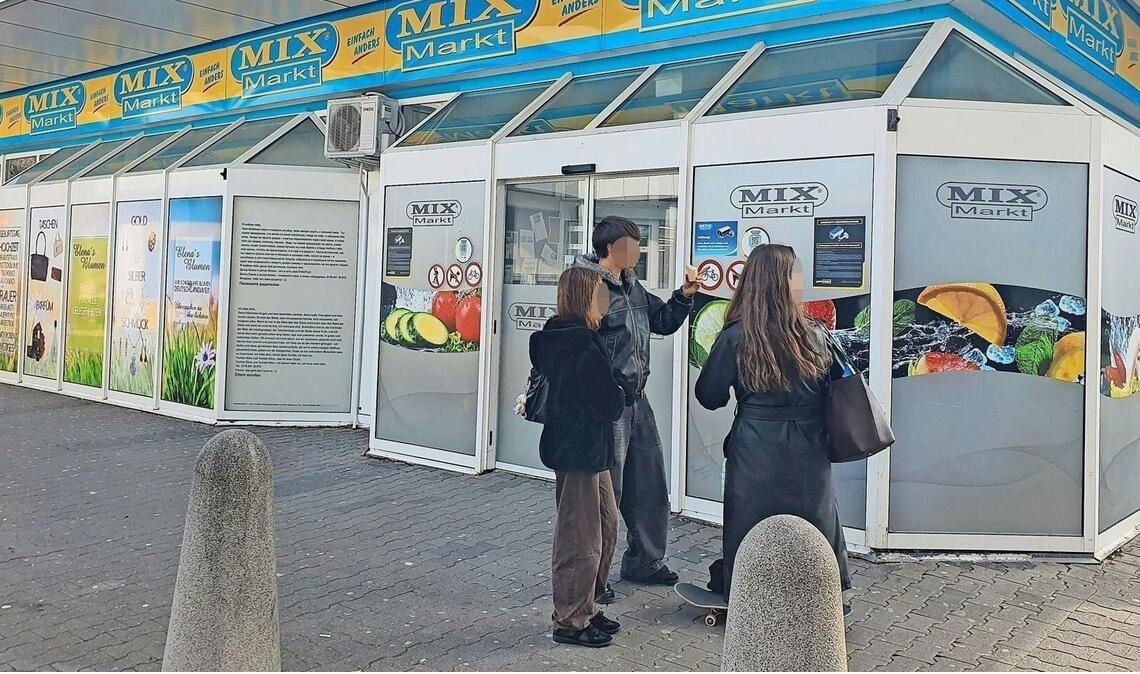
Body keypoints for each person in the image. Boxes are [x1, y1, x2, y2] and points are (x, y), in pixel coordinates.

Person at [694, 244, 852, 607]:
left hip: (755, 448)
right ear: (782, 282)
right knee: (816, 520)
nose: (802, 280)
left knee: (750, 523)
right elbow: (840, 388)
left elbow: (710, 396)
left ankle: (748, 596)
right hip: (811, 446)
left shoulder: (735, 337)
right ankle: (826, 596)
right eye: (796, 273)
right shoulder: (816, 333)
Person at [574, 215, 699, 596]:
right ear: (612, 248)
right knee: (607, 495)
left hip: (638, 402)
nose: (640, 250)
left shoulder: (633, 286)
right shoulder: (590, 288)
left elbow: (662, 321)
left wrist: (685, 295)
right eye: (634, 243)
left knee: (648, 483)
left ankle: (645, 562)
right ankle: (592, 579)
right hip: (608, 405)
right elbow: (578, 348)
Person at [529, 267, 627, 648]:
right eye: (600, 296)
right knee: (580, 536)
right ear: (585, 298)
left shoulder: (565, 338)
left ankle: (586, 605)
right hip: (579, 451)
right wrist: (618, 391)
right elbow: (608, 400)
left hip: (587, 449)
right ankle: (570, 620)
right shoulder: (580, 344)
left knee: (604, 525)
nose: (605, 304)